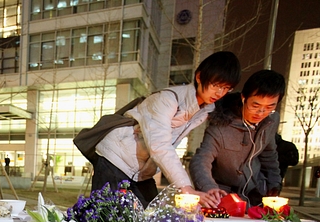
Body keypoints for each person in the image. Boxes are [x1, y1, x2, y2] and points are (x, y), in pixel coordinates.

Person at [92, 51, 241, 208]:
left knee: (149, 219)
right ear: (199, 76)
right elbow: (160, 145)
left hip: (141, 171)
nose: (219, 93)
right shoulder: (166, 100)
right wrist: (186, 187)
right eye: (216, 85)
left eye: (226, 88)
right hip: (115, 160)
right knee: (106, 220)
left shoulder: (204, 110)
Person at [189, 69, 285, 208]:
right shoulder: (221, 125)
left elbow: (269, 155)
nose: (261, 113)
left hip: (255, 193)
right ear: (244, 97)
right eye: (255, 105)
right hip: (222, 195)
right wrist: (209, 187)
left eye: (270, 106)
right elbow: (201, 159)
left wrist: (274, 186)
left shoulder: (271, 121)